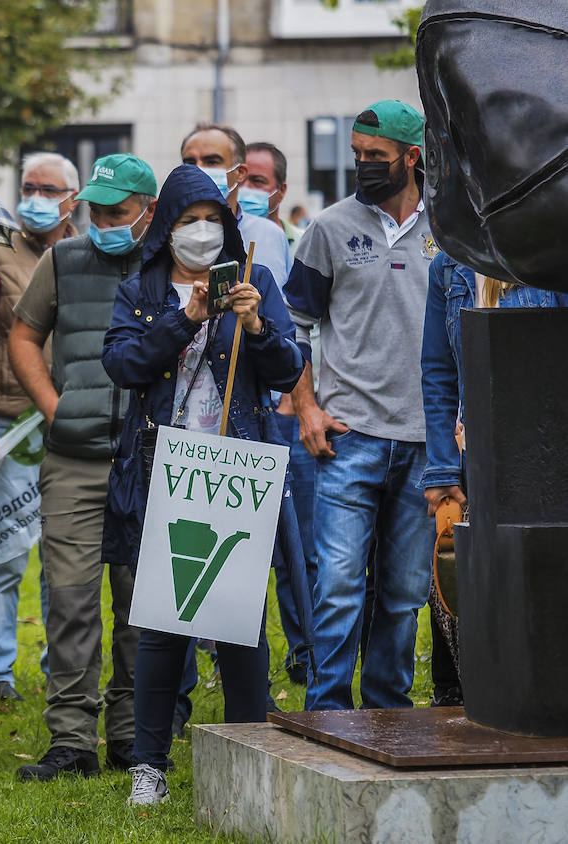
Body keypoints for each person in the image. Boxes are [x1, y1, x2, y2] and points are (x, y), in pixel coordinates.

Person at [100, 164, 304, 805]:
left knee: (239, 616)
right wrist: (183, 319)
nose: (201, 232)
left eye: (213, 221)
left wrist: (257, 329)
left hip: (235, 466)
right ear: (167, 227)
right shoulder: (142, 289)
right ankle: (149, 763)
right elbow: (123, 364)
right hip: (166, 467)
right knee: (165, 624)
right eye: (189, 222)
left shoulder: (254, 280)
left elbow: (288, 368)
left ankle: (252, 749)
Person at [7, 154, 157, 780]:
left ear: (149, 211)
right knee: (69, 600)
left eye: (118, 212)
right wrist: (53, 406)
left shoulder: (168, 267)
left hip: (147, 460)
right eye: (95, 210)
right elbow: (23, 334)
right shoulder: (62, 260)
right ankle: (71, 740)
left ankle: (128, 733)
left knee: (137, 604)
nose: (103, 222)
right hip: (74, 459)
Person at [286, 100, 438, 711]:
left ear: (412, 156)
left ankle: (387, 712)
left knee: (403, 592)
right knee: (340, 584)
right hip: (349, 436)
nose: (363, 166)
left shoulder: (450, 231)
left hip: (427, 442)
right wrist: (307, 410)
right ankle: (327, 710)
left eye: (376, 157)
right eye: (356, 156)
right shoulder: (327, 229)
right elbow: (292, 327)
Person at [419, 253, 568, 706]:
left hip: (546, 450)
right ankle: (463, 696)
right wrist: (443, 467)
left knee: (543, 575)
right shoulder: (447, 267)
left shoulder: (551, 251)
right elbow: (439, 371)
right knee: (466, 578)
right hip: (474, 455)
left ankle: (543, 694)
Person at [0, 152, 78, 701]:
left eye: (48, 188)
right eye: (28, 186)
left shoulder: (86, 252)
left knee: (65, 558)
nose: (35, 196)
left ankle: (62, 664)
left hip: (71, 427)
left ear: (71, 199)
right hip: (8, 429)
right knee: (7, 553)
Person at [244, 140, 314, 684]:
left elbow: (297, 330)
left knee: (297, 544)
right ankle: (244, 659)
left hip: (286, 408)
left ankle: (304, 649)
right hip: (241, 411)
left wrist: (298, 395)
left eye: (259, 183)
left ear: (279, 192)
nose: (248, 191)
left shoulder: (290, 244)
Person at [180, 123, 291, 297]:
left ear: (239, 172)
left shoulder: (270, 235)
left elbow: (284, 313)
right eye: (190, 163)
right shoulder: (169, 234)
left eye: (212, 162)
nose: (198, 170)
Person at [243, 142, 302, 252]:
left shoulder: (304, 244)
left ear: (281, 190)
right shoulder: (222, 243)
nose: (245, 188)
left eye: (257, 181)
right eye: (240, 179)